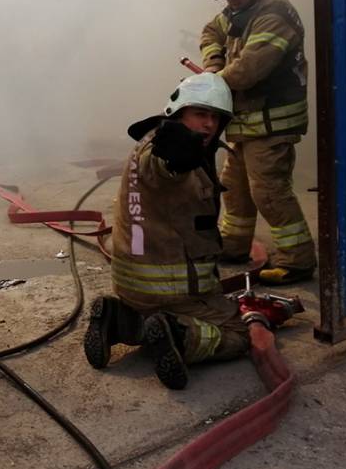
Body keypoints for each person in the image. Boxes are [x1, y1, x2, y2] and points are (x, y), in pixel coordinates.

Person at [83, 73, 249, 390]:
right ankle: (179, 334)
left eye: (216, 118)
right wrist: (177, 152)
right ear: (177, 113)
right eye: (201, 114)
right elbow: (166, 166)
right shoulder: (165, 151)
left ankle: (118, 320)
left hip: (132, 287)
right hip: (173, 290)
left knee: (152, 316)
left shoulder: (146, 144)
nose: (210, 125)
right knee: (240, 333)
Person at [200, 0, 316, 285]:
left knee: (269, 191)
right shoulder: (239, 10)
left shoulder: (274, 14)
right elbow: (211, 31)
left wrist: (211, 83)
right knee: (234, 188)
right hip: (246, 122)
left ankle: (297, 261)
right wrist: (212, 64)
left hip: (272, 122)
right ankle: (233, 247)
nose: (231, 2)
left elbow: (249, 70)